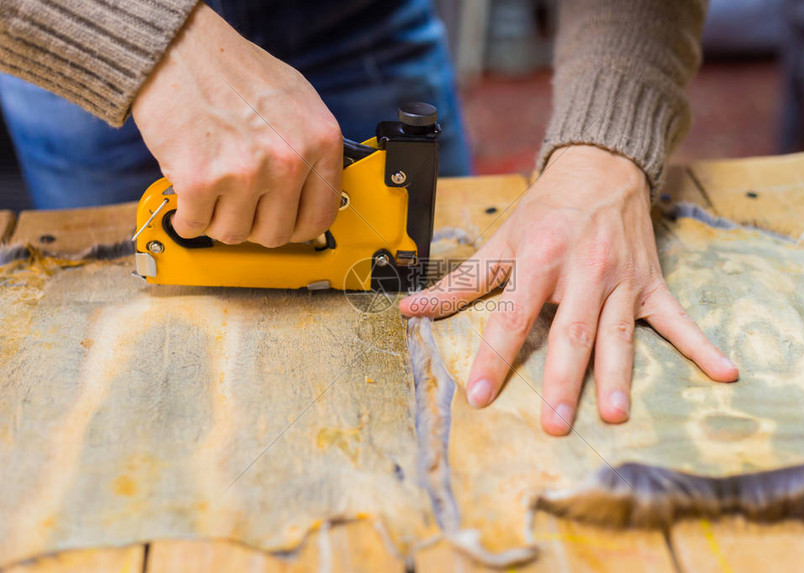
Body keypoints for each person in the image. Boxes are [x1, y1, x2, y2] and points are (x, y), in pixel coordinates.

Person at [0, 0, 738, 436]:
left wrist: (603, 145)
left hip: (357, 20)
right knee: (143, 395)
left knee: (426, 353)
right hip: (87, 38)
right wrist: (145, 40)